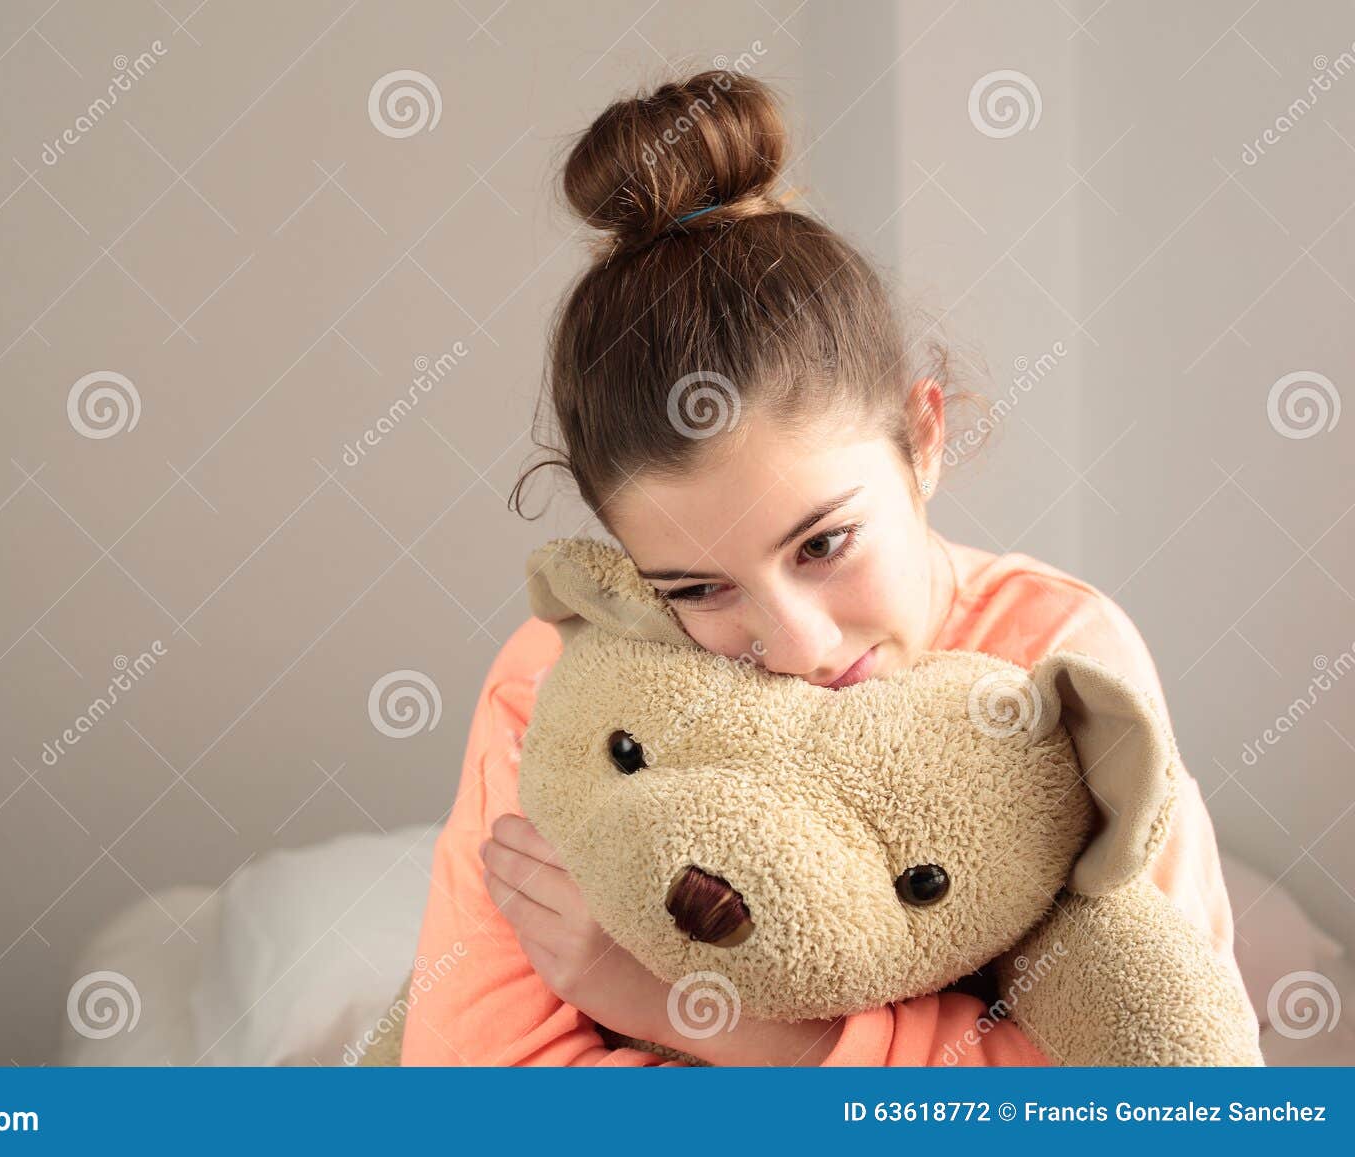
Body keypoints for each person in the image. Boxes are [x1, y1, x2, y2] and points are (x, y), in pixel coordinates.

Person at [398, 69, 1253, 1066]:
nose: (795, 642)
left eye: (822, 544)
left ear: (921, 436)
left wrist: (699, 1013)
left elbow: (1162, 1080)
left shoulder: (1057, 659)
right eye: (696, 588)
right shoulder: (560, 681)